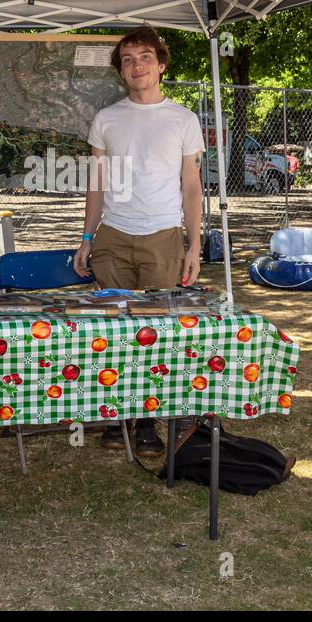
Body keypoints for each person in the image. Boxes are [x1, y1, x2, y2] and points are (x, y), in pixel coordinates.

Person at [73, 26, 204, 456]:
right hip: (112, 236)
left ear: (161, 65)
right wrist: (87, 237)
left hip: (163, 237)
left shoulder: (183, 119)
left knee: (154, 332)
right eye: (128, 60)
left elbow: (191, 186)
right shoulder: (106, 119)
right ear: (121, 70)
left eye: (145, 57)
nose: (137, 66)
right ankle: (116, 418)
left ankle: (147, 424)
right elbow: (96, 185)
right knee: (113, 329)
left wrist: (194, 245)